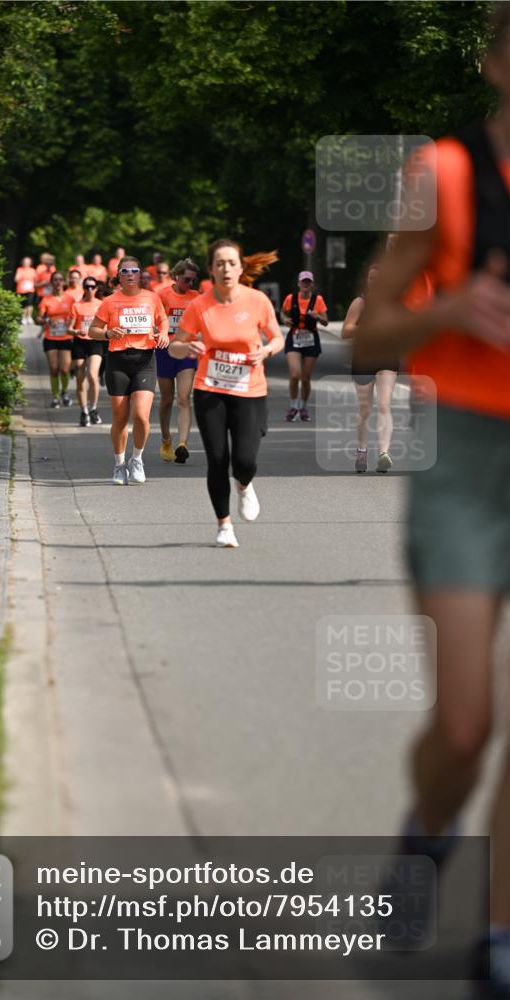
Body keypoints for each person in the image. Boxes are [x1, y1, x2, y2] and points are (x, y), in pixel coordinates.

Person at [357, 7, 510, 994]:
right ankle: (423, 836)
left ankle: (497, 936)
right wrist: (448, 309)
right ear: (499, 62)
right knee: (464, 726)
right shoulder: (442, 177)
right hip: (464, 454)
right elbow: (365, 332)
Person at [169, 239, 283, 548]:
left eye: (232, 263)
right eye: (219, 263)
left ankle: (244, 485)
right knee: (217, 459)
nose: (226, 268)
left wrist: (267, 351)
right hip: (211, 390)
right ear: (210, 270)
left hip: (250, 389)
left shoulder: (257, 300)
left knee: (244, 459)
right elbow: (174, 345)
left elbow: (277, 338)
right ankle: (224, 525)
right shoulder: (199, 305)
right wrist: (187, 346)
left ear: (241, 267)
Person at [88, 256, 169, 485]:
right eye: (125, 271)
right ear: (119, 275)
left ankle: (137, 459)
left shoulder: (152, 298)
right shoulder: (110, 301)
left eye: (134, 270)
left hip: (144, 359)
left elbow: (163, 321)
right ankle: (119, 464)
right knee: (120, 418)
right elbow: (93, 329)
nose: (130, 274)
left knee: (142, 416)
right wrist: (106, 334)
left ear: (141, 274)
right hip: (118, 361)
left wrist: (163, 334)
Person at [342, 263, 399, 473]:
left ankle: (384, 453)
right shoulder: (360, 302)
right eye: (371, 278)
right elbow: (346, 331)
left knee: (384, 405)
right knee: (365, 410)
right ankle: (362, 450)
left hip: (387, 356)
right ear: (367, 280)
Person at [156, 258, 200, 463]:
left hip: (187, 351)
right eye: (187, 280)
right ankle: (166, 440)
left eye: (193, 281)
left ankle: (182, 444)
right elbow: (153, 320)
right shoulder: (162, 294)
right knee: (166, 399)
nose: (190, 284)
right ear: (176, 277)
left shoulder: (196, 297)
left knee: (183, 398)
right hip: (165, 350)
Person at [282, 270, 329, 422]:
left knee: (306, 378)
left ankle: (302, 406)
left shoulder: (318, 300)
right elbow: (283, 313)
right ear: (298, 284)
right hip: (294, 337)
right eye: (303, 282)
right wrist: (284, 319)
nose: (305, 285)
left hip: (311, 339)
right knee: (295, 374)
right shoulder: (291, 298)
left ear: (312, 285)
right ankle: (293, 405)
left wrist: (318, 316)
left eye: (308, 282)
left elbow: (326, 322)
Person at [36, 271, 75, 408]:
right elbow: (38, 319)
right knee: (53, 368)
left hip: (66, 337)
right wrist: (46, 320)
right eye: (55, 280)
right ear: (51, 283)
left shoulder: (70, 299)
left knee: (64, 369)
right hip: (50, 337)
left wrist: (71, 323)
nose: (58, 282)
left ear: (63, 282)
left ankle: (64, 392)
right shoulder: (46, 299)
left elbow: (75, 316)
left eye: (60, 279)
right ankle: (55, 396)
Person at [69, 277, 104, 427]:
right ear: (83, 288)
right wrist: (77, 331)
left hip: (95, 342)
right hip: (80, 342)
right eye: (86, 286)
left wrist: (104, 332)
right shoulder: (77, 305)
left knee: (92, 375)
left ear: (96, 289)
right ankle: (84, 411)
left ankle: (94, 408)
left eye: (92, 286)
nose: (89, 289)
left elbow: (107, 325)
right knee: (80, 377)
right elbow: (68, 328)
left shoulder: (101, 305)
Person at [14, 256, 36, 325]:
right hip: (21, 290)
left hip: (30, 290)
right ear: (22, 263)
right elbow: (16, 279)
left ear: (30, 263)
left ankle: (29, 316)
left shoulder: (32, 270)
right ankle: (23, 317)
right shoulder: (20, 269)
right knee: (23, 304)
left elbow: (36, 280)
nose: (26, 263)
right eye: (25, 262)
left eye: (28, 262)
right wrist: (22, 277)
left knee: (29, 304)